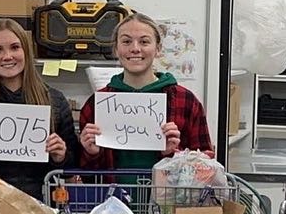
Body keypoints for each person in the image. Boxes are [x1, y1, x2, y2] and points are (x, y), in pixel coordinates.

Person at [0, 19, 81, 200]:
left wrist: (60, 156)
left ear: (26, 51)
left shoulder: (54, 101)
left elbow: (72, 168)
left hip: (38, 207)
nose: (7, 56)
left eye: (14, 47)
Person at [77, 13, 213, 170]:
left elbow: (206, 167)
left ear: (158, 49)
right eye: (126, 41)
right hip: (110, 194)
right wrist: (91, 153)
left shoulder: (186, 101)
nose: (135, 49)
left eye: (144, 42)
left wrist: (172, 154)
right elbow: (86, 176)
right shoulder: (96, 104)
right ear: (116, 49)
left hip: (168, 195)